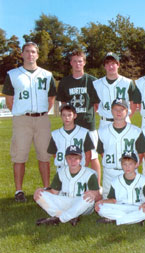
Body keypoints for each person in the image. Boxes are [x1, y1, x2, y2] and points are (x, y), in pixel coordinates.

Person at [2, 42, 57, 202]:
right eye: (27, 51)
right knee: (19, 155)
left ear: (38, 55)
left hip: (42, 119)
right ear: (22, 54)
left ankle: (46, 187)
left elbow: (51, 98)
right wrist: (21, 113)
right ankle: (19, 191)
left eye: (33, 52)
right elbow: (9, 101)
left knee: (44, 155)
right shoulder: (13, 74)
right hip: (22, 119)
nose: (30, 55)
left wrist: (42, 112)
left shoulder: (47, 75)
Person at [56, 50, 101, 179]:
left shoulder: (92, 81)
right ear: (71, 63)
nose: (77, 64)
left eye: (80, 61)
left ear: (84, 63)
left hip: (88, 125)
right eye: (74, 61)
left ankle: (96, 186)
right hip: (72, 126)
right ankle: (75, 183)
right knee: (73, 156)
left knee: (92, 156)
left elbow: (96, 104)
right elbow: (64, 104)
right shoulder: (65, 82)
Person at [34, 145, 101, 226]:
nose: (72, 161)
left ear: (80, 159)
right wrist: (41, 191)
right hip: (66, 201)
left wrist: (93, 194)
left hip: (81, 203)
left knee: (88, 199)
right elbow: (53, 192)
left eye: (76, 158)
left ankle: (59, 219)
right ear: (66, 159)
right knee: (40, 195)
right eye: (70, 158)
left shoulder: (90, 174)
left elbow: (98, 196)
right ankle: (70, 216)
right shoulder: (61, 172)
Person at [97, 99, 144, 198]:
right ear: (111, 111)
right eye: (115, 109)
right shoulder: (102, 131)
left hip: (129, 173)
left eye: (121, 109)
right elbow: (101, 152)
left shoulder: (136, 131)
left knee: (131, 202)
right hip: (110, 172)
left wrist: (133, 166)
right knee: (107, 206)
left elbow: (141, 152)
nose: (118, 112)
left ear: (127, 111)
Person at [95, 151, 145, 225]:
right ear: (121, 165)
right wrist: (102, 202)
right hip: (121, 207)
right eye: (124, 164)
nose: (127, 167)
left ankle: (116, 220)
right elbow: (113, 200)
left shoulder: (144, 180)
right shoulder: (116, 181)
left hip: (137, 207)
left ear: (136, 165)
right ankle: (134, 220)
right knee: (100, 207)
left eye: (130, 164)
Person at [93, 52, 135, 128]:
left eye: (113, 63)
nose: (111, 66)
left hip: (124, 122)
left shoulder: (128, 82)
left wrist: (124, 118)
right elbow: (96, 104)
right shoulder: (97, 84)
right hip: (105, 123)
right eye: (107, 64)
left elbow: (133, 104)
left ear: (118, 65)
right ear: (104, 66)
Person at [47, 104, 94, 170]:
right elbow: (54, 153)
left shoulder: (84, 132)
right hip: (61, 169)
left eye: (69, 115)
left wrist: (84, 169)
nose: (67, 118)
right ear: (61, 116)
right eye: (64, 115)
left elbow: (88, 154)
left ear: (75, 116)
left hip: (79, 169)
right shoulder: (55, 134)